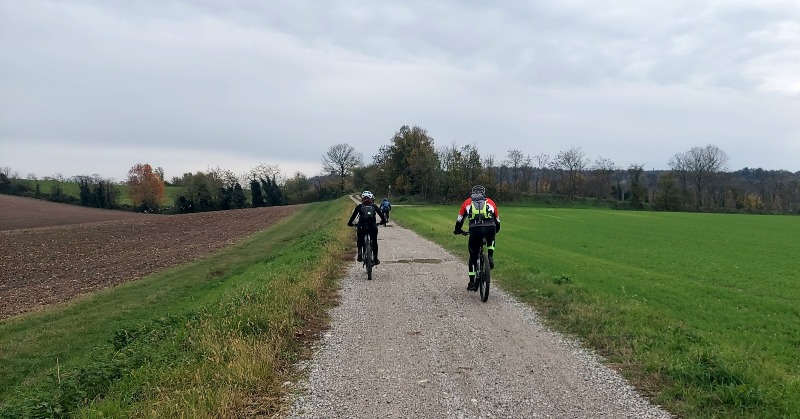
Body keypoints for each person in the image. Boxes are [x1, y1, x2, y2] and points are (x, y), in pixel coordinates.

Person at [453, 185, 500, 291]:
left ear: (473, 193)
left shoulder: (467, 202)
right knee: (492, 236)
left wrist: (457, 230)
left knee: (473, 257)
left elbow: (460, 219)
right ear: (484, 193)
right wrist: (495, 231)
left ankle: (472, 283)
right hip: (490, 227)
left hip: (475, 230)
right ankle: (490, 256)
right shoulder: (490, 202)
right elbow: (497, 220)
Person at [347, 191, 387, 264]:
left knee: (360, 239)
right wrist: (381, 222)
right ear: (371, 198)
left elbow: (353, 217)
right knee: (374, 242)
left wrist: (350, 223)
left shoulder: (359, 207)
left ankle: (360, 254)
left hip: (362, 226)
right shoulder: (374, 206)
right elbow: (383, 218)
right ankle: (375, 259)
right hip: (373, 227)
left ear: (362, 198)